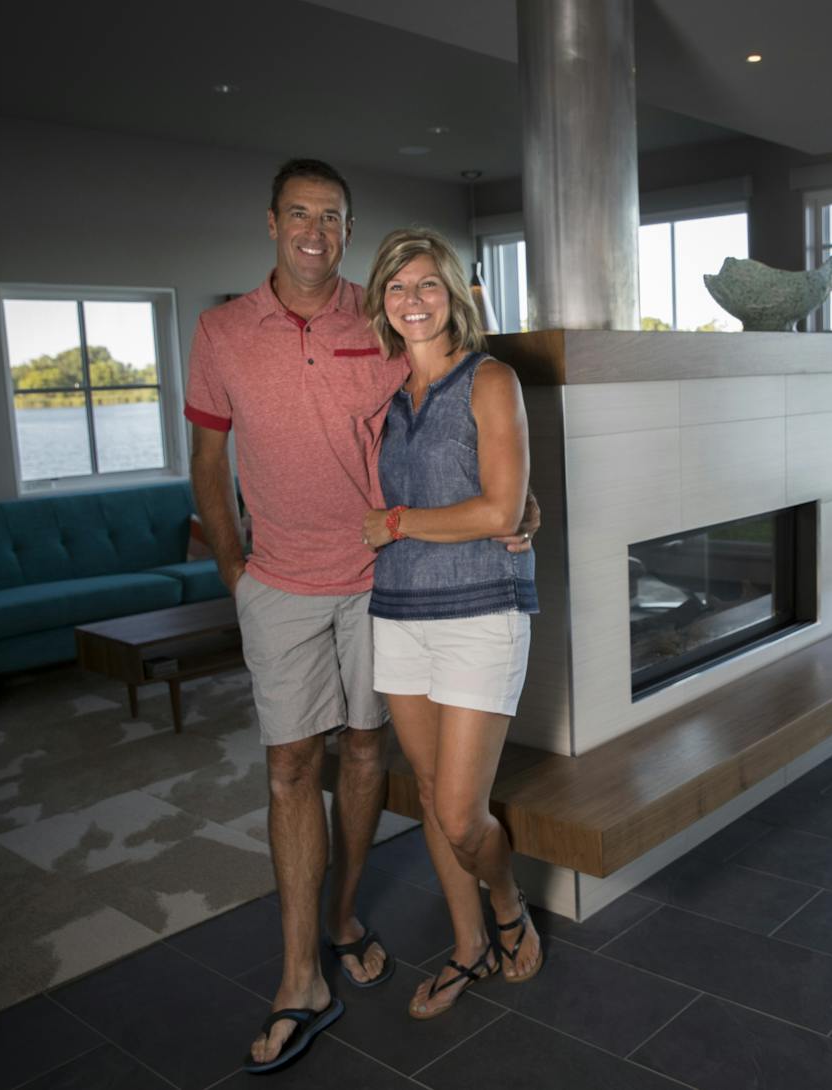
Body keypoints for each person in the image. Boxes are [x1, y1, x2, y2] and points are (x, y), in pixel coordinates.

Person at [186, 161, 535, 1073]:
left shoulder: (377, 322)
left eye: (331, 217)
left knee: (374, 759)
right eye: (299, 214)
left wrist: (518, 508)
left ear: (347, 228)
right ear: (271, 223)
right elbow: (208, 461)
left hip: (381, 586)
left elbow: (458, 436)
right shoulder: (222, 330)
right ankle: (300, 975)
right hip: (286, 585)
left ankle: (345, 917)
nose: (315, 230)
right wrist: (236, 573)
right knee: (295, 764)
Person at [359, 227, 543, 1019]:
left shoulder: (491, 379)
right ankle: (468, 949)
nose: (414, 301)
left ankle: (505, 901)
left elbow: (502, 508)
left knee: (465, 812)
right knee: (432, 794)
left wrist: (397, 522)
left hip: (481, 613)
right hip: (398, 615)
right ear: (382, 303)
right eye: (399, 288)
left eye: (428, 284)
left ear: (455, 296)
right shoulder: (384, 396)